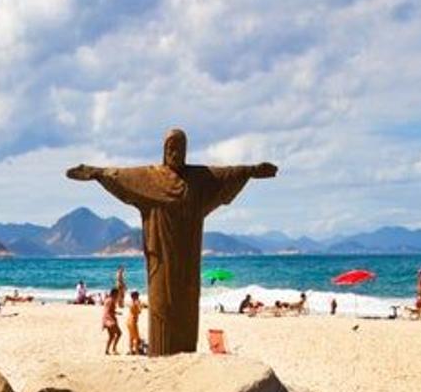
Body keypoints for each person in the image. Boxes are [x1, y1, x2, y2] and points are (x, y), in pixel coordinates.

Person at [67, 128, 277, 354]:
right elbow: (120, 176)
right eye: (170, 148)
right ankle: (159, 355)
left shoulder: (198, 181)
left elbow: (228, 175)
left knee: (186, 309)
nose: (175, 153)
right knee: (161, 308)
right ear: (164, 151)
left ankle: (186, 356)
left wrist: (251, 171)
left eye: (180, 148)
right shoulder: (150, 179)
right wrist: (96, 173)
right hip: (160, 264)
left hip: (187, 265)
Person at [101, 286, 121, 355]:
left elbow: (107, 310)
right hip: (110, 320)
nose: (118, 295)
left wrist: (116, 312)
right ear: (114, 293)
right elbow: (110, 311)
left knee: (111, 336)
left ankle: (107, 350)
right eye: (117, 294)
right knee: (119, 333)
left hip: (105, 319)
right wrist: (115, 313)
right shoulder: (112, 300)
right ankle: (114, 349)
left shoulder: (107, 299)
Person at [126, 288, 145, 354]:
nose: (138, 295)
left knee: (131, 337)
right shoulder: (136, 301)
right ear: (136, 295)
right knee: (136, 337)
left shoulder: (131, 302)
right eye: (137, 294)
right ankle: (137, 352)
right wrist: (141, 306)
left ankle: (131, 351)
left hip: (128, 320)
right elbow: (139, 311)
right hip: (133, 321)